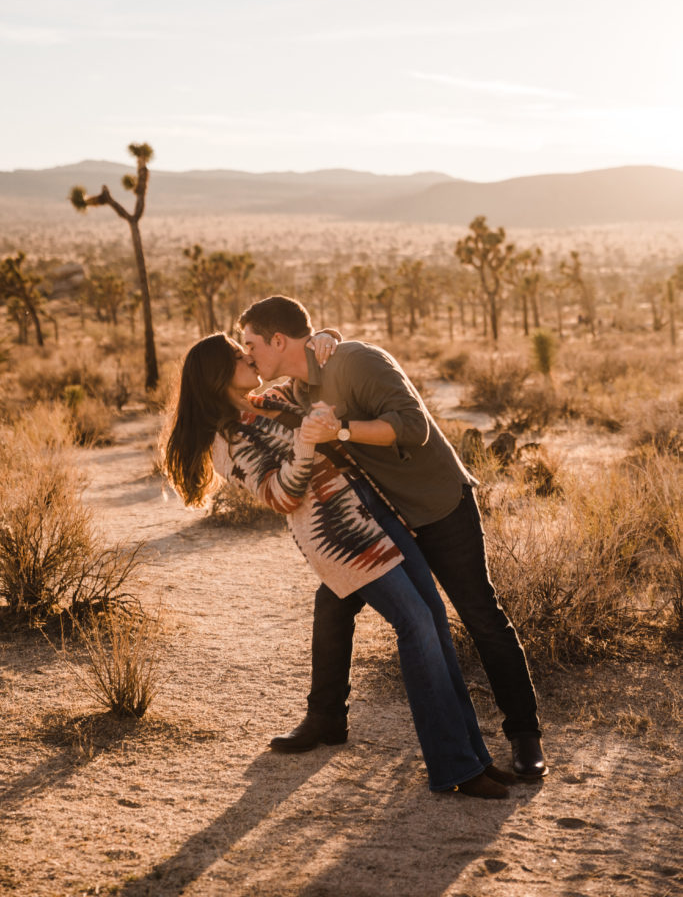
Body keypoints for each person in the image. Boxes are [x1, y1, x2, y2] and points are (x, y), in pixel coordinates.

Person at [163, 331, 518, 798]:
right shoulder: (225, 442)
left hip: (377, 511)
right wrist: (307, 444)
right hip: (342, 538)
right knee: (415, 626)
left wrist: (325, 338)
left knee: (433, 620)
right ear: (214, 374)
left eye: (246, 348)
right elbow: (281, 495)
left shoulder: (270, 399)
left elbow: (309, 377)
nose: (248, 356)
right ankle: (453, 766)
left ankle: (475, 758)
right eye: (236, 355)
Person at [238, 296, 547, 779]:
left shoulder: (358, 362)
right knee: (334, 601)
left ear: (278, 340)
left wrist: (339, 429)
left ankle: (525, 734)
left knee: (480, 614)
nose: (248, 352)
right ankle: (325, 718)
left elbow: (413, 427)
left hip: (436, 505)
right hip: (380, 518)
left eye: (251, 343)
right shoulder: (297, 386)